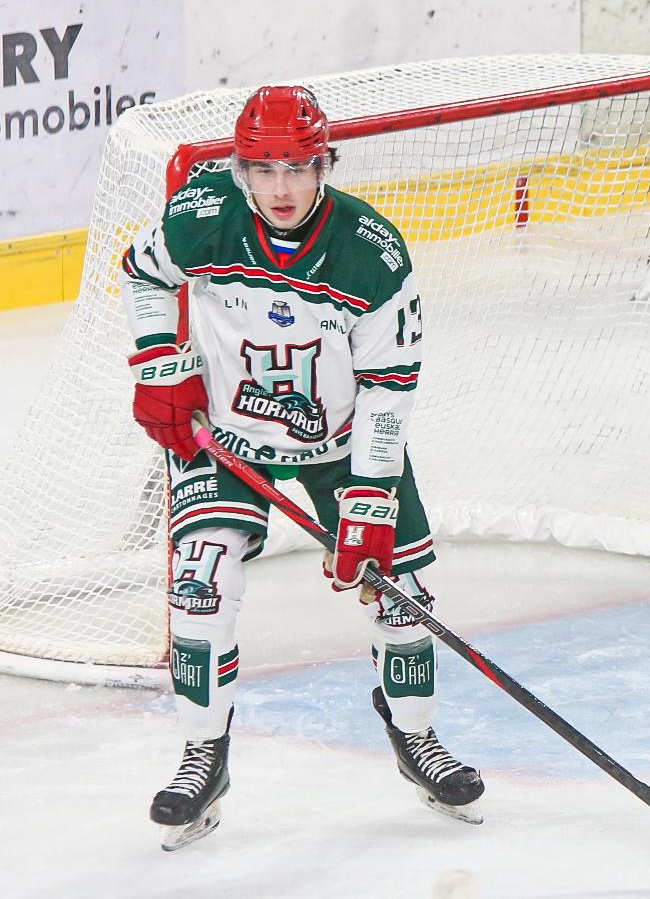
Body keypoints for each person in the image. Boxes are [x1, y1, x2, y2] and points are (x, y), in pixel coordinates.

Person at [120, 86, 482, 850]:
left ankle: (416, 736)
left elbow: (389, 386)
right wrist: (159, 362)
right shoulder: (202, 216)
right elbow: (144, 273)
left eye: (297, 167)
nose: (280, 187)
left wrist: (370, 501)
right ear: (241, 169)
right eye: (263, 168)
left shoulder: (369, 251)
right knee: (200, 587)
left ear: (325, 165)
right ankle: (203, 756)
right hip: (226, 436)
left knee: (403, 598)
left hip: (343, 447)